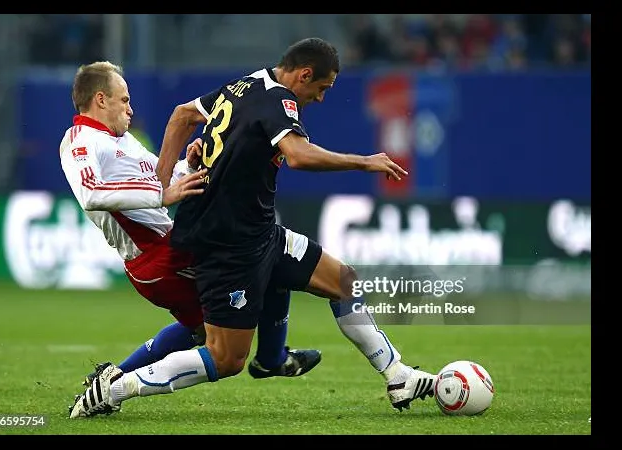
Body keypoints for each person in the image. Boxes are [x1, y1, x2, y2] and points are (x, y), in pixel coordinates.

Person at [68, 39, 437, 419]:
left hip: (258, 232)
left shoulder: (246, 84)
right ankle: (117, 387)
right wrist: (362, 162)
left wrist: (176, 173)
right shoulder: (279, 100)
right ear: (304, 74)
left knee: (344, 281)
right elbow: (297, 154)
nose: (322, 99)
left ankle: (397, 375)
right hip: (228, 245)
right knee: (225, 358)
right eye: (322, 89)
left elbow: (182, 115)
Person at [59, 61, 323, 414]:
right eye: (124, 100)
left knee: (205, 328)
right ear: (100, 99)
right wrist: (162, 196)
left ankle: (111, 381)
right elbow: (92, 193)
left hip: (170, 247)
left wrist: (188, 166)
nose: (130, 108)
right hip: (155, 257)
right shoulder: (80, 140)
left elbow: (159, 180)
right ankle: (273, 358)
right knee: (265, 267)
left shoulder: (124, 142)